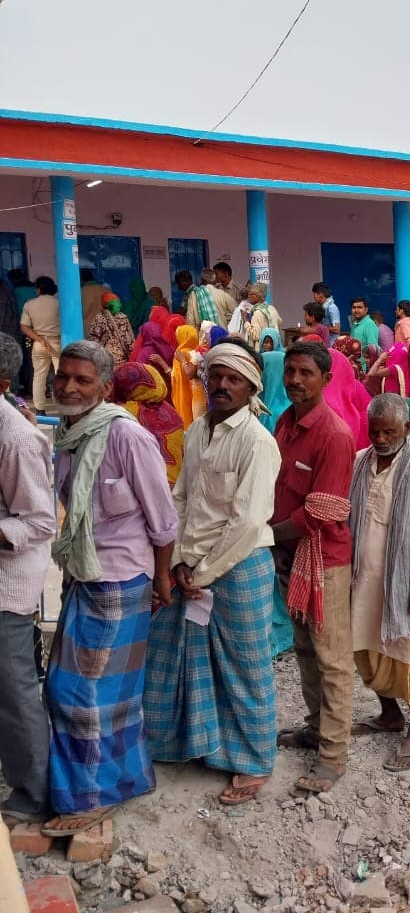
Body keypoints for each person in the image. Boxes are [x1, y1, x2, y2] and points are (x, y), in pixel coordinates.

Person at [44, 341, 178, 836]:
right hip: (83, 576)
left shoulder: (126, 437)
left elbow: (164, 522)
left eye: (82, 380)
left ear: (104, 388)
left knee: (82, 694)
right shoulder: (68, 433)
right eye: (65, 377)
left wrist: (162, 579)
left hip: (122, 580)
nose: (69, 387)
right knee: (88, 691)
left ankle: (90, 796)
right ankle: (126, 778)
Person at [143, 339, 282, 805]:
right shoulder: (198, 431)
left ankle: (254, 760)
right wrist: (180, 558)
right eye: (216, 376)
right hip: (193, 565)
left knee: (244, 667)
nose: (221, 385)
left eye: (233, 379)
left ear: (250, 387)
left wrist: (199, 572)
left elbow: (246, 522)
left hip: (239, 568)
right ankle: (200, 745)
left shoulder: (257, 441)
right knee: (185, 657)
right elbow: (181, 498)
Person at [271, 342, 357, 794]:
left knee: (332, 658)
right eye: (290, 371)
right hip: (291, 555)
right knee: (304, 649)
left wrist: (268, 535)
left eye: (305, 372)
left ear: (326, 379)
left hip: (322, 561)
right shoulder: (285, 423)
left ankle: (333, 754)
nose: (295, 380)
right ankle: (314, 725)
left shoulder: (334, 434)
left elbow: (321, 513)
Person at [347, 394, 410, 771]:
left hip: (403, 581)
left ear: (407, 428)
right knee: (363, 649)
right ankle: (389, 713)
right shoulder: (359, 462)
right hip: (363, 578)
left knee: (408, 652)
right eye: (375, 431)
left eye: (390, 431)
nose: (382, 438)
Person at [0, 334, 56, 829]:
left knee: (13, 687)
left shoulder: (16, 438)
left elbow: (41, 521)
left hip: (7, 586)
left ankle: (34, 788)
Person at [19, 276, 59, 413]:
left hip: (39, 343)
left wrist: (40, 339)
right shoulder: (59, 303)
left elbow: (24, 326)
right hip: (57, 342)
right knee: (61, 376)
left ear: (38, 289)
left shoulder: (29, 304)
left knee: (39, 376)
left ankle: (39, 409)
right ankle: (63, 406)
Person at [87, 293, 135, 366]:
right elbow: (130, 340)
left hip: (106, 359)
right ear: (110, 304)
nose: (120, 305)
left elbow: (93, 340)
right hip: (119, 359)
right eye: (117, 302)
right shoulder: (123, 317)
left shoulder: (99, 318)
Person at [349, 297, 380, 366]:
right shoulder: (355, 324)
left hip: (364, 367)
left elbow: (372, 350)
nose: (356, 310)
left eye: (359, 307)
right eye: (354, 307)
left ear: (366, 309)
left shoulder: (369, 325)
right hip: (354, 365)